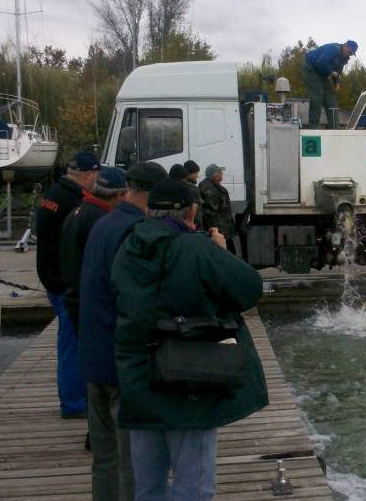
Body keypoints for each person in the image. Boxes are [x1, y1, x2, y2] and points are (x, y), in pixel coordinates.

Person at [113, 180, 267, 501]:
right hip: (187, 381)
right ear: (192, 211)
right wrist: (220, 251)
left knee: (148, 488)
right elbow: (249, 288)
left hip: (138, 377)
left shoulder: (128, 244)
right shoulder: (194, 247)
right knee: (194, 488)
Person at [79, 162, 167, 501]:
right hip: (123, 364)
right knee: (134, 461)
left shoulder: (102, 224)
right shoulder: (136, 230)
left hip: (93, 359)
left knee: (104, 459)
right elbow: (138, 299)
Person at [36, 150, 99, 418]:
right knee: (72, 344)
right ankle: (74, 403)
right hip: (65, 281)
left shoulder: (52, 194)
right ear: (87, 174)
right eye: (96, 174)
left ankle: (74, 398)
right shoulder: (75, 200)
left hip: (51, 277)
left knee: (68, 341)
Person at [60, 166, 127, 331]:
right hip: (91, 302)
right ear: (118, 195)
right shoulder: (103, 221)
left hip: (72, 296)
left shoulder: (75, 212)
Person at [303, 39, 358, 128]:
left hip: (323, 73)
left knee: (330, 99)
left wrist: (336, 84)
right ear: (345, 46)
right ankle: (313, 126)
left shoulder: (344, 59)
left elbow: (338, 72)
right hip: (311, 69)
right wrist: (331, 72)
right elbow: (321, 62)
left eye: (351, 53)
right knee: (317, 96)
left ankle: (334, 126)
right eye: (349, 52)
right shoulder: (333, 48)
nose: (350, 54)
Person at [200, 164, 237, 254]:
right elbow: (211, 211)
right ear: (215, 175)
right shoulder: (210, 189)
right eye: (221, 174)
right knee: (227, 254)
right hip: (219, 229)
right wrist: (214, 231)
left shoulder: (210, 186)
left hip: (221, 228)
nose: (222, 176)